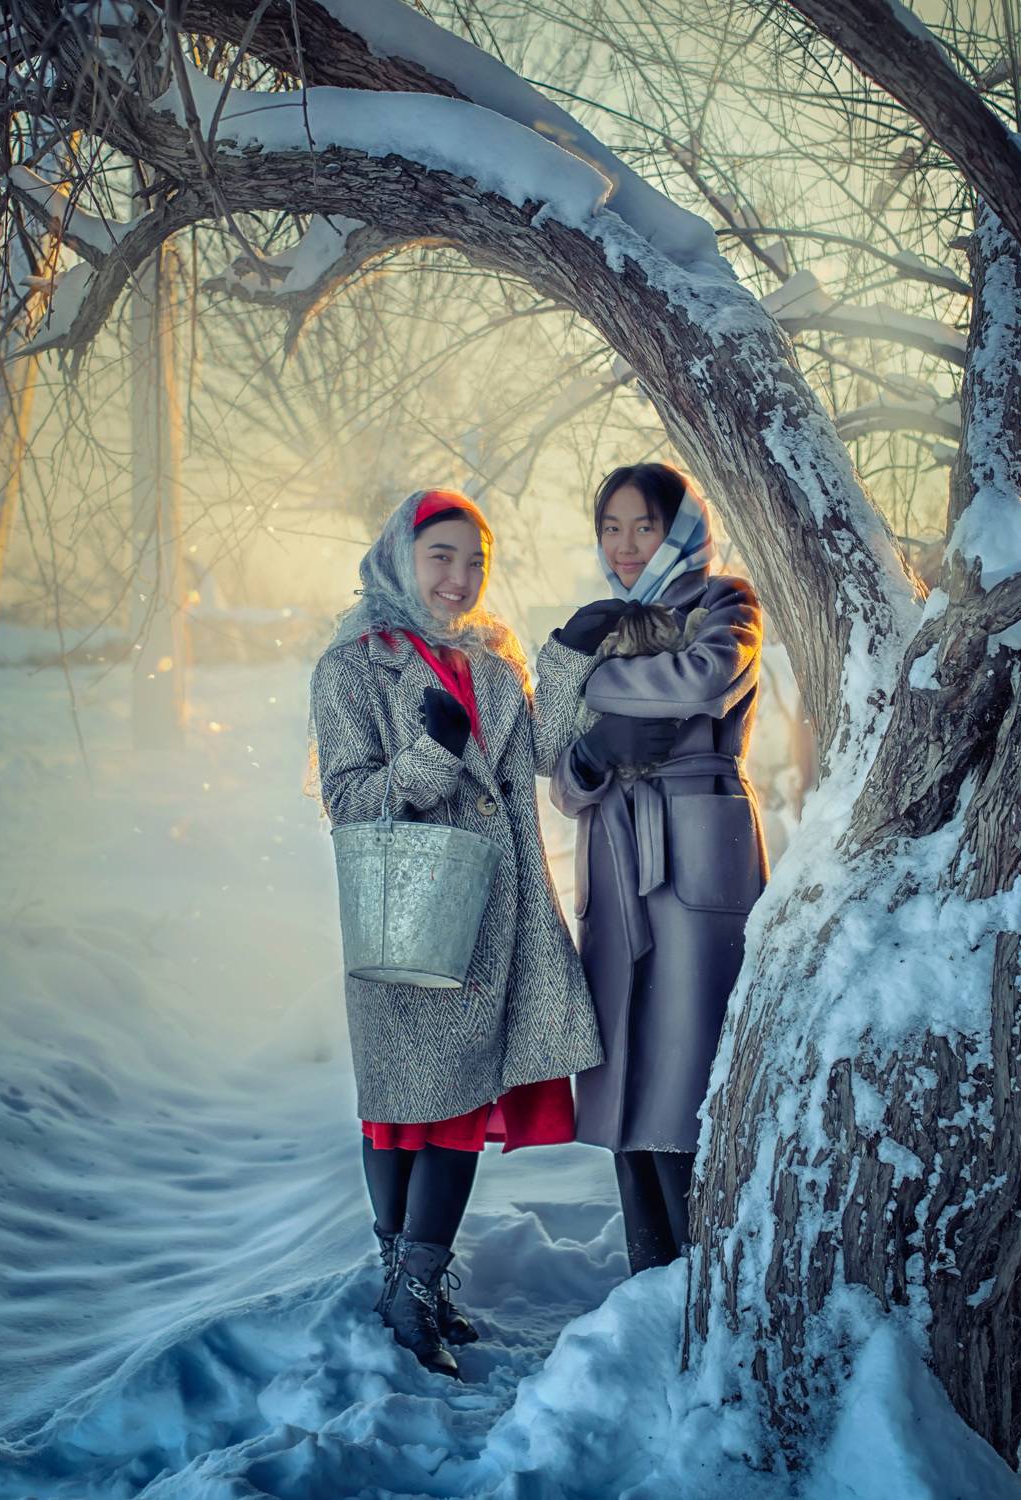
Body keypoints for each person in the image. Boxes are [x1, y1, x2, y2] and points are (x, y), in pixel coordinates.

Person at [309, 488, 602, 1379]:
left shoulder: (494, 657)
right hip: (412, 912)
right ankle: (406, 1287)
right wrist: (430, 756)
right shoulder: (353, 665)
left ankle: (415, 1287)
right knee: (407, 1108)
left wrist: (568, 659)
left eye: (475, 561)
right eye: (441, 556)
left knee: (460, 1105)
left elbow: (546, 754)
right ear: (400, 556)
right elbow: (347, 799)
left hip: (499, 915)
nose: (460, 578)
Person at [533, 463, 767, 1274]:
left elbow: (702, 679)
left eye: (644, 526)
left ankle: (706, 1276)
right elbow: (560, 779)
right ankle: (648, 1273)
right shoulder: (606, 623)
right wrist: (594, 754)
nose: (626, 546)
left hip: (696, 854)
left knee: (688, 1068)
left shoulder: (724, 602)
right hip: (613, 851)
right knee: (626, 1072)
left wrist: (587, 677)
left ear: (681, 531)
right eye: (611, 528)